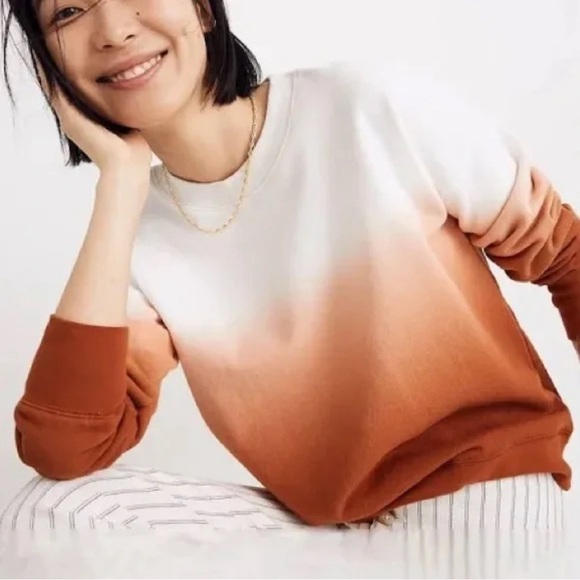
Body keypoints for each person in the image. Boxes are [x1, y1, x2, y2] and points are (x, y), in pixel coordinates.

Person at [1, 0, 578, 537]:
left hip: (484, 496)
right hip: (336, 535)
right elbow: (64, 448)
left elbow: (565, 257)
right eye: (68, 12)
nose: (113, 30)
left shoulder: (366, 108)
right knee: (52, 512)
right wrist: (120, 182)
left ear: (202, 8)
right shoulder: (135, 239)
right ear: (52, 68)